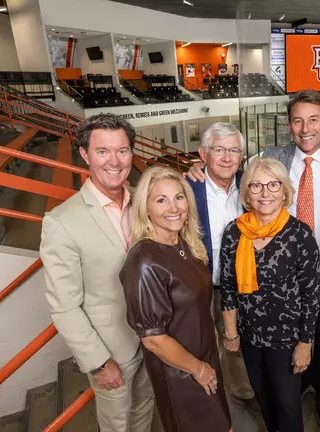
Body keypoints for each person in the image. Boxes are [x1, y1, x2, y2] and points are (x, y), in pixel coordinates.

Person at [188, 90, 320, 428]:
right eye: (297, 121)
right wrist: (198, 167)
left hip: (318, 261)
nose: (305, 128)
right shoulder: (269, 162)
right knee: (266, 376)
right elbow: (243, 175)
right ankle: (272, 392)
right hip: (256, 283)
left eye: (313, 119)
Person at [40, 113, 154, 432]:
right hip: (111, 349)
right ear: (85, 155)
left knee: (145, 410)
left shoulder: (144, 202)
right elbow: (63, 305)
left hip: (154, 339)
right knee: (117, 425)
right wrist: (98, 362)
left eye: (122, 150)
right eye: (103, 151)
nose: (114, 161)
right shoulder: (61, 221)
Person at [121, 167, 232, 432]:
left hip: (203, 356)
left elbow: (196, 304)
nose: (174, 208)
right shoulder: (145, 261)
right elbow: (153, 339)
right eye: (161, 200)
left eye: (179, 197)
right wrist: (197, 369)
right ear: (145, 209)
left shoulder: (184, 243)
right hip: (181, 372)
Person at [219, 158, 320, 432]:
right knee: (263, 398)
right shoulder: (234, 232)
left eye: (273, 184)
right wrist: (231, 334)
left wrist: (305, 343)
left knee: (287, 404)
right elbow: (228, 286)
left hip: (286, 340)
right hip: (250, 336)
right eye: (256, 185)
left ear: (284, 190)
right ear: (246, 192)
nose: (265, 193)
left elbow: (312, 295)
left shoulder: (300, 234)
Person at [186, 122, 261, 415]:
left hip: (240, 286)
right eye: (219, 150)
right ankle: (208, 397)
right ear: (204, 153)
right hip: (199, 287)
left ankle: (243, 391)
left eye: (234, 150)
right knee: (204, 345)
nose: (228, 158)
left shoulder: (249, 186)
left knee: (238, 342)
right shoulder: (187, 188)